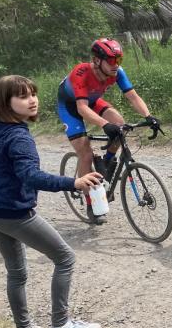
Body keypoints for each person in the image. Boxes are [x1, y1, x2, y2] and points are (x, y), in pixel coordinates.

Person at [0, 75, 103, 328]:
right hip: (13, 214)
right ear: (5, 102)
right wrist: (74, 182)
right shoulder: (19, 137)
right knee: (65, 258)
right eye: (22, 96)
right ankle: (61, 326)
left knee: (16, 272)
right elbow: (31, 176)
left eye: (33, 94)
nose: (32, 101)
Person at [57, 38, 161, 224]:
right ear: (97, 60)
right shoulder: (81, 72)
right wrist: (105, 124)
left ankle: (106, 164)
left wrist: (149, 116)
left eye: (119, 60)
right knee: (85, 153)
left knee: (120, 125)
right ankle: (91, 202)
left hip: (92, 100)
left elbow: (133, 96)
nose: (116, 64)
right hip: (71, 105)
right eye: (112, 60)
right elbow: (81, 108)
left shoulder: (117, 72)